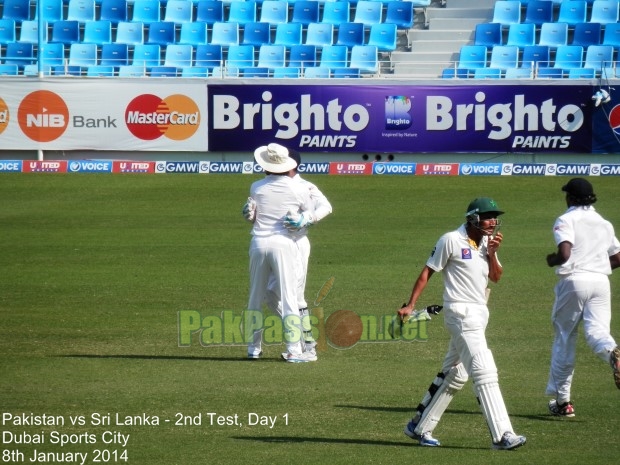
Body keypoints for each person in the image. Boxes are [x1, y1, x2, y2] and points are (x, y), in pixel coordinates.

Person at [398, 197, 526, 450]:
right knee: (484, 370)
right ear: (472, 218)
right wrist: (411, 305)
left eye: (494, 217)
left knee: (456, 374)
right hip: (460, 312)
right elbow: (428, 271)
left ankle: (419, 426)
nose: (492, 221)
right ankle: (503, 435)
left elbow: (496, 277)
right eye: (487, 216)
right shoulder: (450, 240)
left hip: (479, 312)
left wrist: (492, 254)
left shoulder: (488, 243)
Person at [545, 178, 620, 416]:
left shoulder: (566, 219)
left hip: (574, 281)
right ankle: (612, 353)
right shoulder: (604, 223)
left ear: (571, 198)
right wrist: (594, 265)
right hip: (600, 281)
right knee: (598, 332)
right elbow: (618, 257)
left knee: (565, 338)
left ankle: (563, 402)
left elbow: (565, 254)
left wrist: (552, 260)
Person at [243, 143, 315, 363]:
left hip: (258, 243)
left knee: (255, 296)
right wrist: (304, 218)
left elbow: (255, 215)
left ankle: (253, 348)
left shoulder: (256, 187)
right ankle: (294, 349)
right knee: (289, 297)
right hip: (283, 244)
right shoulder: (298, 188)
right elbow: (309, 213)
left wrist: (250, 215)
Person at [262, 147, 332, 359]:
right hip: (273, 243)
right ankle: (300, 336)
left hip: (297, 243)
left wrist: (307, 218)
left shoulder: (305, 186)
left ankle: (309, 346)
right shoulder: (268, 185)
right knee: (268, 293)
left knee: (296, 296)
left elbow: (326, 206)